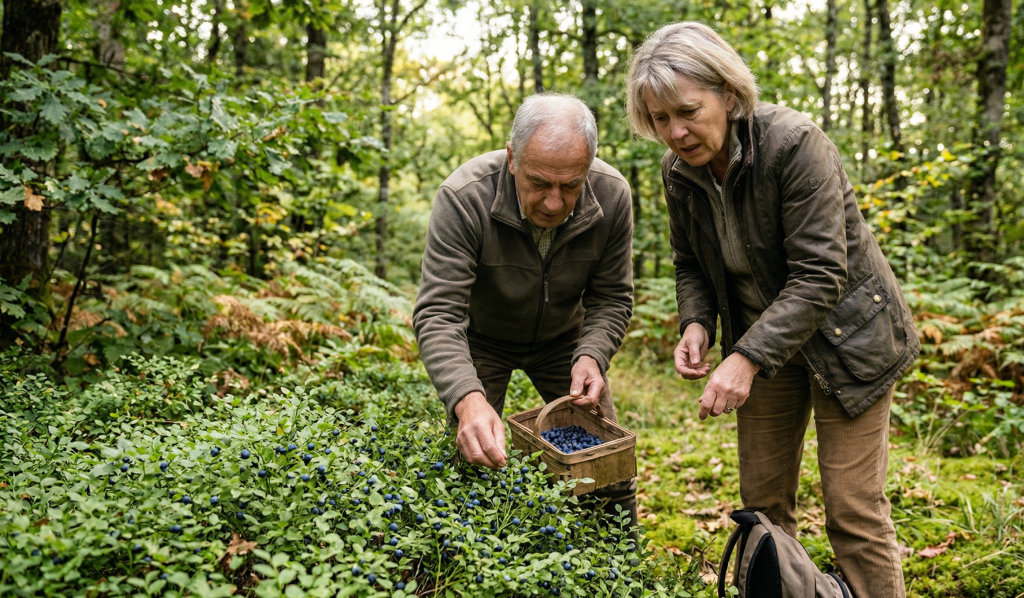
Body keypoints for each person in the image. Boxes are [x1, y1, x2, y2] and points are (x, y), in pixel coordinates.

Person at [625, 22, 920, 598]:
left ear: (729, 95)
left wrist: (743, 361)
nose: (676, 132)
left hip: (849, 340)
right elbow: (690, 262)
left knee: (853, 509)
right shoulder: (677, 172)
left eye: (688, 111)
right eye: (660, 120)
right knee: (761, 508)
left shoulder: (794, 145)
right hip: (763, 346)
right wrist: (696, 323)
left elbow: (821, 273)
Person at [413, 94, 638, 528]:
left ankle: (618, 560)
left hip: (565, 342)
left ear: (589, 165)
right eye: (539, 183)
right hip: (483, 340)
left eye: (571, 185)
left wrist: (592, 355)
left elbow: (611, 297)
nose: (554, 202)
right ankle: (473, 555)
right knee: (474, 457)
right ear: (513, 158)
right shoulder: (464, 197)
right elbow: (439, 313)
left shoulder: (612, 196)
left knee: (607, 466)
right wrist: (467, 399)